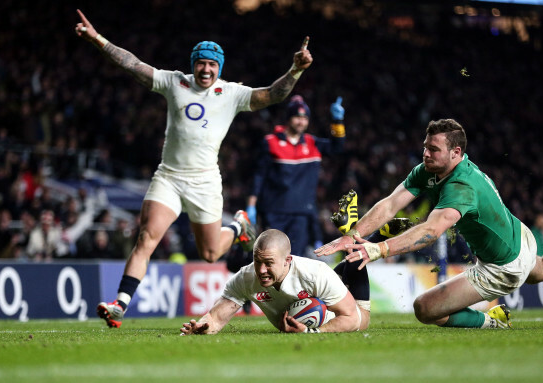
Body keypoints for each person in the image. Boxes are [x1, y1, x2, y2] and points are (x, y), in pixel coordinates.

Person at [74, 9, 313, 328]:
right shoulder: (174, 82)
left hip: (204, 184)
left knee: (211, 254)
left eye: (212, 64)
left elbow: (273, 95)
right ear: (193, 64)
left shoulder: (231, 93)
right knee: (147, 236)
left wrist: (295, 70)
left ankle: (238, 228)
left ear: (219, 68)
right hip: (169, 178)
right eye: (201, 62)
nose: (206, 69)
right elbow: (131, 64)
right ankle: (120, 303)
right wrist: (98, 39)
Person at [316, 118, 543, 329]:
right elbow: (392, 203)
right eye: (425, 146)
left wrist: (378, 249)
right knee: (540, 269)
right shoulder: (431, 168)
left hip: (502, 266)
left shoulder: (461, 186)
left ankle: (493, 320)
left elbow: (432, 231)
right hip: (519, 235)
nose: (425, 154)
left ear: (456, 153)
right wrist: (354, 235)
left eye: (433, 150)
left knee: (425, 309)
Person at [180, 229, 370, 335]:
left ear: (287, 260)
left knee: (355, 260)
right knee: (341, 272)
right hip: (324, 291)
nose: (261, 270)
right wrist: (202, 327)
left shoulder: (315, 273)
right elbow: (215, 318)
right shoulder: (246, 277)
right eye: (257, 261)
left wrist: (311, 332)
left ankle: (377, 239)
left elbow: (352, 319)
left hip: (352, 313)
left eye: (269, 263)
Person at [246, 95, 346, 257]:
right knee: (272, 257)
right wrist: (251, 205)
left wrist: (337, 122)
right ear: (288, 118)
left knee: (295, 258)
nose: (301, 121)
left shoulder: (312, 144)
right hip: (274, 212)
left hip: (301, 214)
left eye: (305, 118)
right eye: (297, 117)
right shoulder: (270, 142)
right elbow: (259, 176)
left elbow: (337, 148)